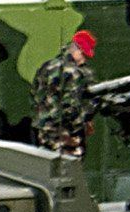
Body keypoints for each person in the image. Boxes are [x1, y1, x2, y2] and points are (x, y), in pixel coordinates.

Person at [33, 28, 98, 158]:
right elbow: (70, 106)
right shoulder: (73, 72)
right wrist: (82, 124)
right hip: (65, 134)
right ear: (76, 50)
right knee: (68, 172)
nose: (84, 60)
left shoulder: (46, 66)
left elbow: (35, 97)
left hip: (44, 133)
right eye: (83, 55)